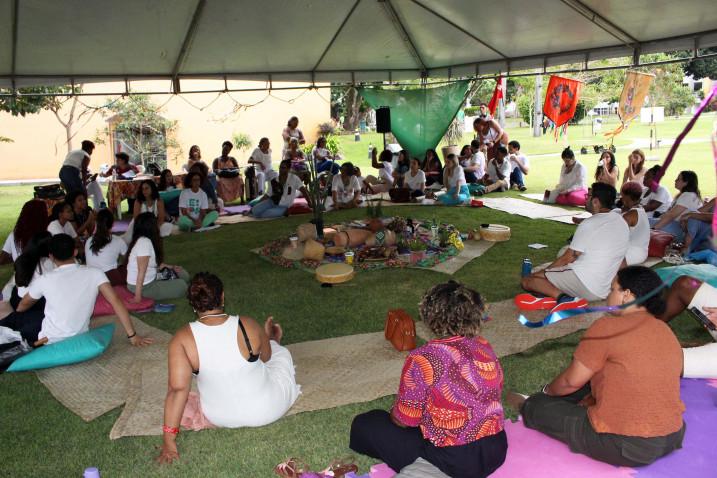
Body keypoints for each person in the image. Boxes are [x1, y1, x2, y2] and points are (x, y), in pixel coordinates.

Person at [509, 266, 685, 467]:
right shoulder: (665, 330)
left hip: (629, 445)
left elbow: (569, 382)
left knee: (539, 406)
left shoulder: (607, 327)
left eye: (612, 289)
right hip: (673, 433)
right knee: (594, 374)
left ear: (626, 295)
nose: (609, 295)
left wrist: (544, 392)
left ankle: (531, 405)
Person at [350, 281, 507, 478]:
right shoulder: (484, 345)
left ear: (429, 317)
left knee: (367, 424)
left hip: (453, 460)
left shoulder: (424, 358)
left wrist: (398, 412)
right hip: (495, 449)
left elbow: (404, 420)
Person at [156, 273, 299, 464]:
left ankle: (271, 340)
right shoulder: (247, 324)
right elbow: (267, 357)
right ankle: (273, 339)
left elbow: (177, 390)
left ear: (192, 303)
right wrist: (266, 342)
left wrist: (169, 441)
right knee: (280, 356)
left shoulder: (181, 339)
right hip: (268, 409)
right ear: (222, 296)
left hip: (219, 416)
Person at [0, 233, 153, 347]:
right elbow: (116, 302)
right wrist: (132, 336)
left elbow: (24, 304)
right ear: (74, 252)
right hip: (78, 332)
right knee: (30, 316)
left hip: (48, 337)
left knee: (16, 318)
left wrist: (19, 314)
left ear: (51, 256)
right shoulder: (95, 273)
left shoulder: (45, 279)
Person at [521, 183, 629, 310]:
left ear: (595, 202)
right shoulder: (622, 222)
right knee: (549, 274)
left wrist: (544, 272)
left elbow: (567, 258)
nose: (585, 198)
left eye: (588, 196)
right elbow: (622, 262)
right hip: (603, 291)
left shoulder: (590, 223)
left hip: (585, 283)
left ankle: (564, 299)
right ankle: (558, 292)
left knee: (528, 280)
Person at [126, 212, 190, 301]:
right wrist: (138, 296)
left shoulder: (145, 241)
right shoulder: (144, 243)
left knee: (183, 275)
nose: (158, 225)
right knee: (182, 286)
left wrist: (172, 267)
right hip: (144, 286)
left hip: (152, 277)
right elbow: (141, 272)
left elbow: (154, 264)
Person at [649, 170, 702, 242]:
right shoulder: (686, 195)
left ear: (686, 182)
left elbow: (672, 215)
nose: (675, 180)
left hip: (679, 228)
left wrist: (653, 229)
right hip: (674, 225)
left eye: (678, 179)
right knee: (643, 221)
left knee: (642, 223)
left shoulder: (688, 195)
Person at [8, 232, 54, 314]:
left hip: (16, 299)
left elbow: (18, 284)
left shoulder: (21, 259)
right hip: (34, 304)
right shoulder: (48, 262)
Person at [1, 199, 50, 265]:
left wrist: (17, 258)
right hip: (45, 273)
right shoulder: (45, 236)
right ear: (42, 216)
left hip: (21, 274)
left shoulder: (14, 235)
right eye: (46, 211)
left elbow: (2, 259)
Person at [86, 209, 127, 286]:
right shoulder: (118, 240)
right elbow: (128, 260)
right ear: (112, 224)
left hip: (91, 278)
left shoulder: (89, 240)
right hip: (110, 279)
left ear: (96, 223)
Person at [620, 182, 649, 266]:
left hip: (632, 254)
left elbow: (618, 238)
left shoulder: (629, 216)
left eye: (622, 195)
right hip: (641, 252)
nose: (621, 198)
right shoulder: (641, 209)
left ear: (627, 197)